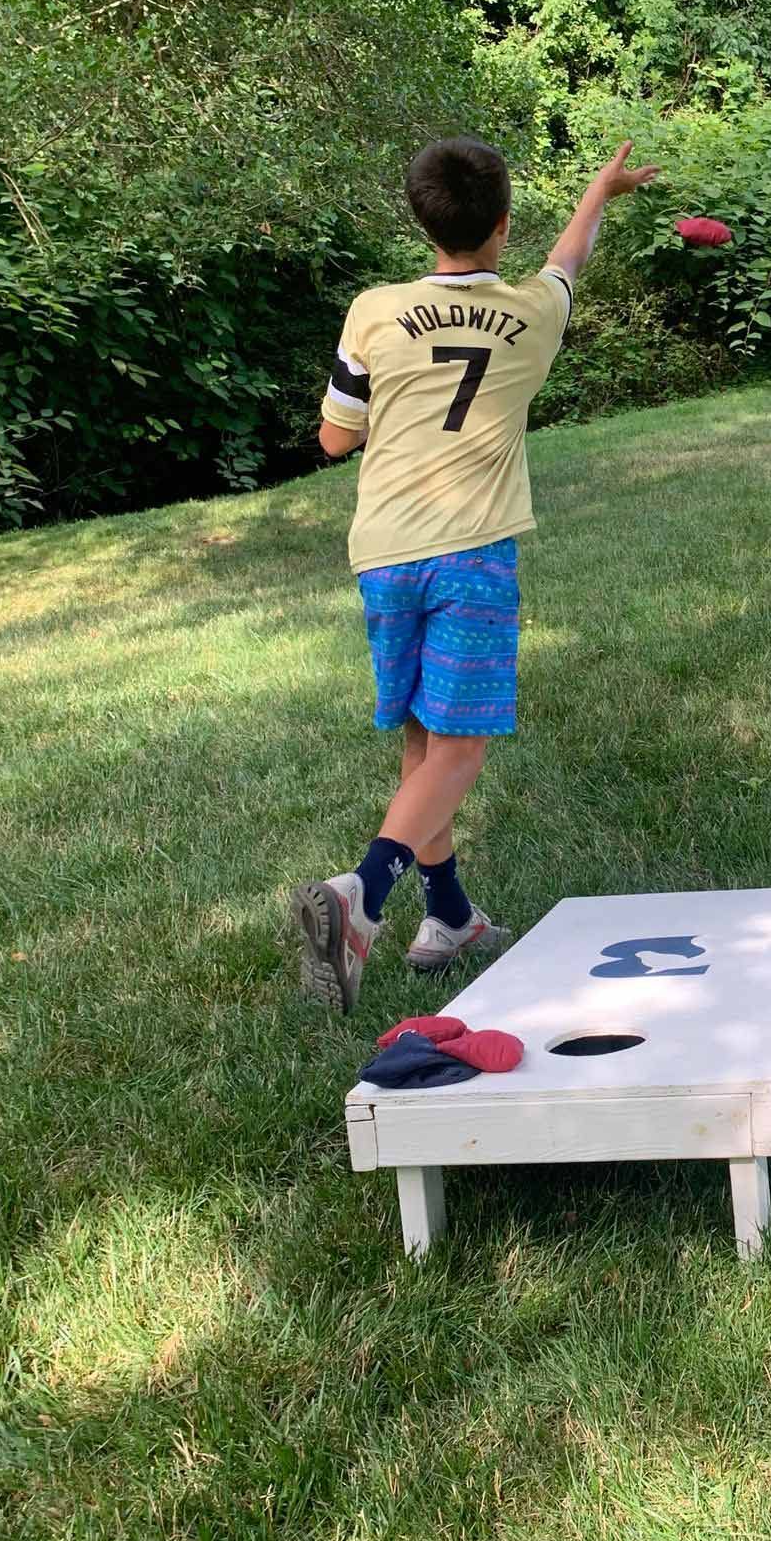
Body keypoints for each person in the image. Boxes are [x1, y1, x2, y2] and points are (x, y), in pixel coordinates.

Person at [293, 135, 658, 1013]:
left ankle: (448, 917)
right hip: (472, 556)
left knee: (423, 741)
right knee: (458, 750)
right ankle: (362, 897)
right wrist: (598, 192)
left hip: (383, 553)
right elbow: (568, 262)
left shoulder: (374, 310)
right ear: (502, 225)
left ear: (424, 222)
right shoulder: (532, 312)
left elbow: (335, 438)